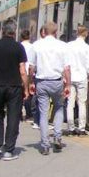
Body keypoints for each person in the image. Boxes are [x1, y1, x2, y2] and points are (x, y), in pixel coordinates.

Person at [0, 20, 28, 160]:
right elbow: (22, 71)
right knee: (13, 117)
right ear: (14, 32)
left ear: (2, 31)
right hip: (14, 87)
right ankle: (8, 151)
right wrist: (25, 88)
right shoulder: (18, 47)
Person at [30, 21, 71, 155]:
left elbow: (31, 67)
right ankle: (57, 137)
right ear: (56, 32)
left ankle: (45, 144)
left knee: (43, 113)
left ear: (44, 32)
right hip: (57, 82)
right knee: (59, 108)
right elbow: (66, 68)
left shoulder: (36, 45)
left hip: (41, 82)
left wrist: (31, 82)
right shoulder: (63, 46)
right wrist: (68, 85)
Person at [66, 25, 89, 136]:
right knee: (82, 103)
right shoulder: (87, 48)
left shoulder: (69, 46)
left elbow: (65, 63)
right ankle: (81, 128)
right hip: (82, 77)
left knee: (70, 103)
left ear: (77, 33)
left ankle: (71, 128)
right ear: (86, 34)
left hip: (71, 77)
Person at [20, 29, 34, 121]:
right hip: (30, 72)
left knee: (20, 92)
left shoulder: (19, 46)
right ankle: (29, 113)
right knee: (29, 92)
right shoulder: (33, 46)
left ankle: (19, 112)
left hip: (20, 71)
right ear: (29, 36)